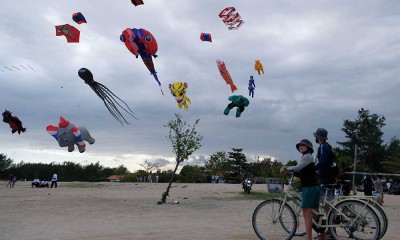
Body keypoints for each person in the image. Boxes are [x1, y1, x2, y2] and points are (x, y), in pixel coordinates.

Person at [280, 139, 319, 240]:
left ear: (308, 147)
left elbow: (297, 167)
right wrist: (291, 169)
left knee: (307, 213)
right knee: (314, 213)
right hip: (312, 187)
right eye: (300, 146)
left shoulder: (307, 156)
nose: (301, 147)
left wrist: (286, 168)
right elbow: (301, 169)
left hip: (310, 188)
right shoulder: (307, 157)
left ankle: (308, 238)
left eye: (303, 145)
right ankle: (321, 236)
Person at [314, 128, 335, 240]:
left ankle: (331, 231)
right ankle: (330, 231)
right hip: (330, 179)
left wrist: (313, 168)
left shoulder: (322, 147)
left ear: (319, 137)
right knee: (328, 206)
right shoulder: (328, 146)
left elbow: (322, 163)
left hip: (325, 180)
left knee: (327, 206)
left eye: (316, 136)